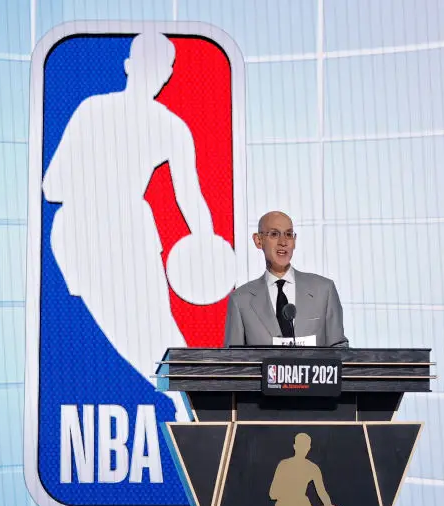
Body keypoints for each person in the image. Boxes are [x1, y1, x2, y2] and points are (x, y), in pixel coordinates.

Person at [42, 31, 233, 418]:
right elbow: (52, 187)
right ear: (157, 73)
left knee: (151, 333)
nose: (160, 76)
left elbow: (190, 198)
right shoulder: (139, 120)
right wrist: (206, 243)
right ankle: (190, 410)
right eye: (161, 68)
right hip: (96, 234)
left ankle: (194, 412)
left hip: (110, 233)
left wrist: (208, 247)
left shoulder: (108, 114)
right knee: (140, 335)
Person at [223, 211, 348, 347]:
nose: (283, 242)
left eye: (288, 235)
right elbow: (234, 361)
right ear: (259, 240)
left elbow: (339, 352)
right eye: (274, 234)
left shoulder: (324, 290)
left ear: (294, 241)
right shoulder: (241, 300)